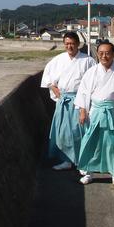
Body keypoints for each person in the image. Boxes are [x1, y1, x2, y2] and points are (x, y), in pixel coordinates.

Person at [75, 41, 114, 187]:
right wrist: (82, 111)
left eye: (107, 53)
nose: (104, 56)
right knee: (92, 142)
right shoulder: (91, 72)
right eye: (101, 53)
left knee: (113, 144)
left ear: (113, 54)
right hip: (95, 112)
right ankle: (89, 171)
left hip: (112, 112)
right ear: (97, 54)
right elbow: (83, 93)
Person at [41, 31, 96, 171]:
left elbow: (94, 81)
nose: (69, 46)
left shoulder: (88, 60)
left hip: (81, 101)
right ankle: (66, 160)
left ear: (78, 44)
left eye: (72, 43)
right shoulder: (58, 60)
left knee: (80, 131)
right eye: (67, 44)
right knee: (64, 132)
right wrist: (53, 87)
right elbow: (47, 77)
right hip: (64, 100)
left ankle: (82, 161)